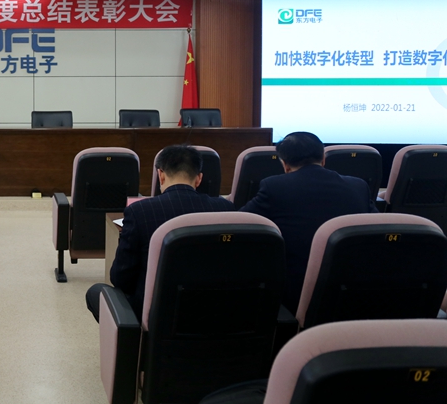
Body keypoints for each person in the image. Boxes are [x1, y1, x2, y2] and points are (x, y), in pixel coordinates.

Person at [86, 145, 234, 321]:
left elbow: (120, 278)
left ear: (161, 175)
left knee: (95, 293)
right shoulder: (225, 209)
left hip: (157, 316)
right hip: (216, 311)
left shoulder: (140, 211)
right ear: (199, 178)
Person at [240, 131, 377, 313]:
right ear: (323, 158)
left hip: (295, 292)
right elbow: (377, 227)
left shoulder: (274, 187)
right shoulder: (358, 186)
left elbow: (242, 222)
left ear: (285, 164)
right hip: (354, 290)